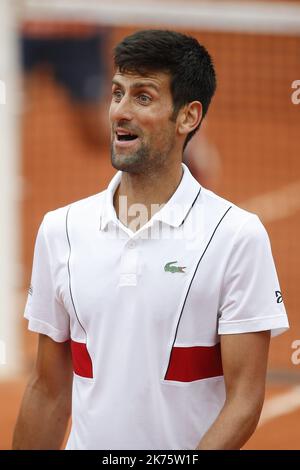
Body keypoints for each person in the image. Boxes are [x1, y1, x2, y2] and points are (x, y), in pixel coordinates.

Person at [13, 29, 289, 450]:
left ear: (188, 117)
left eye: (143, 97)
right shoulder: (62, 229)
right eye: (117, 93)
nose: (120, 111)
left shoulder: (236, 237)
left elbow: (245, 399)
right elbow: (48, 390)